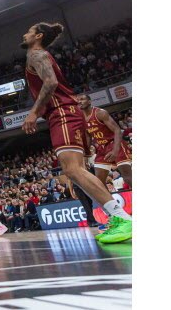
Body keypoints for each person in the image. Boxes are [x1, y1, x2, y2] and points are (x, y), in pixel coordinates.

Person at [20, 22, 131, 243]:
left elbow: (50, 82)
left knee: (72, 170)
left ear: (38, 36)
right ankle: (117, 217)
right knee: (77, 171)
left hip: (62, 112)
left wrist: (33, 112)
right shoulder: (38, 55)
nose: (24, 34)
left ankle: (122, 218)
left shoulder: (36, 54)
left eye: (29, 31)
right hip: (66, 112)